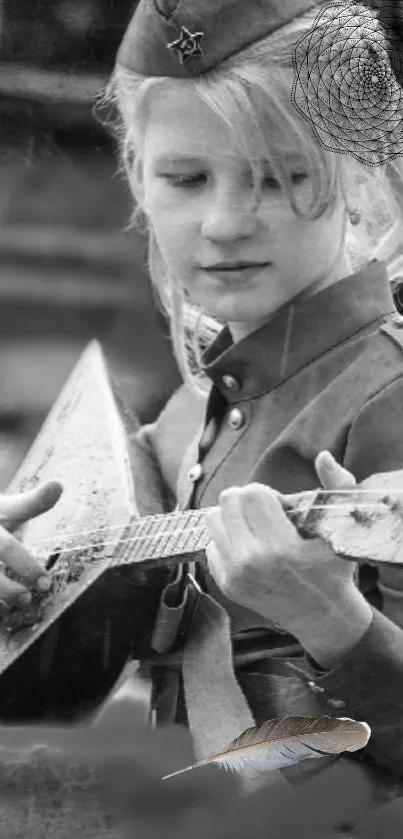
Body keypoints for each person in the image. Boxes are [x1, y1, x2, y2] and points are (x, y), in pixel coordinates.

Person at [2, 0, 403, 821]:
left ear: (361, 173)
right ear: (137, 177)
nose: (223, 223)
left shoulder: (387, 395)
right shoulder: (190, 414)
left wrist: (336, 623)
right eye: (185, 178)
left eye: (279, 176)